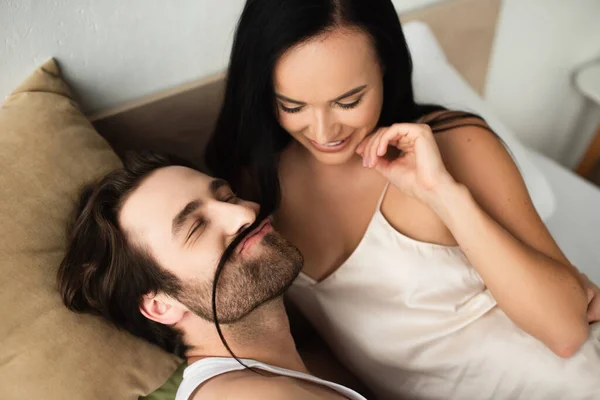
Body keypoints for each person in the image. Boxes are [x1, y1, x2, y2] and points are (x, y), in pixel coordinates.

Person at [205, 0, 600, 399]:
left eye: (348, 101)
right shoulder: (249, 192)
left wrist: (443, 195)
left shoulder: (455, 144)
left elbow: (566, 333)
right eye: (293, 106)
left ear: (385, 67)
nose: (323, 131)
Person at [57, 152, 368, 400]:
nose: (246, 213)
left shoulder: (298, 369)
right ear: (161, 305)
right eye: (197, 227)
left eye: (228, 197)